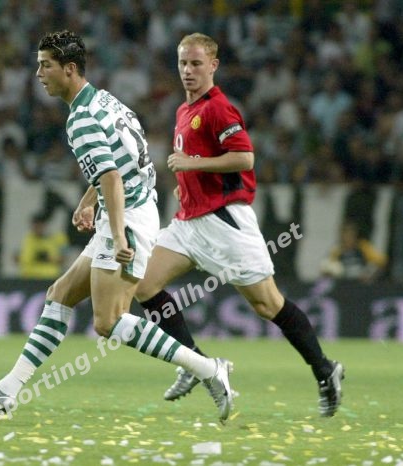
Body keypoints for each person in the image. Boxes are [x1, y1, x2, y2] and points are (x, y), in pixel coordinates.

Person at [0, 30, 234, 422]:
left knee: (109, 322)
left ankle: (208, 369)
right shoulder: (105, 101)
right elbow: (124, 162)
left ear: (69, 69)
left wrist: (118, 234)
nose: (38, 74)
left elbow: (112, 177)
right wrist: (90, 201)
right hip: (134, 209)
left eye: (46, 66)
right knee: (60, 295)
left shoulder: (81, 119)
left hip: (128, 218)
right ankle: (8, 389)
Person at [133, 33, 344, 417]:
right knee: (144, 284)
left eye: (196, 63)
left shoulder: (219, 108)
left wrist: (193, 165)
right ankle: (195, 363)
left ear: (213, 65)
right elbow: (199, 164)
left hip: (225, 222)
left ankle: (324, 369)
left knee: (268, 304)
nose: (188, 70)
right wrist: (187, 186)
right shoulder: (184, 110)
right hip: (188, 223)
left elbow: (244, 158)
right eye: (183, 63)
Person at [320, 221, 387, 281]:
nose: (346, 239)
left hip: (362, 283)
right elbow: (328, 268)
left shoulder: (363, 247)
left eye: (349, 235)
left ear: (355, 236)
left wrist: (368, 273)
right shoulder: (336, 251)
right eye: (343, 236)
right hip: (345, 284)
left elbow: (381, 262)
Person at [17, 212, 69, 280]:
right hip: (29, 277)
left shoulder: (56, 239)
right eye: (35, 226)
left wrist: (47, 258)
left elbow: (63, 259)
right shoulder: (27, 240)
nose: (37, 228)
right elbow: (19, 257)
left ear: (44, 225)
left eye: (40, 225)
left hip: (49, 278)